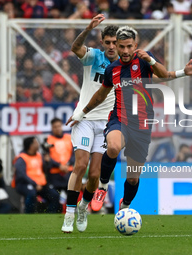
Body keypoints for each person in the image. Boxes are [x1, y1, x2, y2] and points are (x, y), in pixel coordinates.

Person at [67, 26, 192, 213]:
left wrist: (175, 69)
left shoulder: (144, 61)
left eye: (128, 46)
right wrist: (81, 114)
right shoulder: (112, 69)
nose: (124, 51)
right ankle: (103, 186)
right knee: (113, 147)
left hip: (141, 124)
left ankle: (125, 206)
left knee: (132, 177)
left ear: (135, 46)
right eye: (121, 46)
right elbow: (100, 96)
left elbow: (163, 76)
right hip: (119, 118)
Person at [61, 14, 118, 233]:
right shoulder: (94, 57)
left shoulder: (125, 65)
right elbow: (76, 47)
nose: (112, 46)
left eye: (115, 42)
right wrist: (87, 28)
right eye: (108, 42)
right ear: (102, 42)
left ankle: (84, 206)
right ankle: (69, 213)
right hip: (83, 119)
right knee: (80, 165)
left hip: (106, 124)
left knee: (94, 175)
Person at [14, 136, 60, 213]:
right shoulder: (21, 158)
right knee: (31, 194)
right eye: (36, 142)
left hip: (41, 184)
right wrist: (34, 184)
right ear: (30, 146)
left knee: (54, 195)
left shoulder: (39, 155)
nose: (38, 144)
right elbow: (21, 175)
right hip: (26, 184)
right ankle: (29, 215)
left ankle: (50, 215)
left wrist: (48, 162)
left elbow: (46, 169)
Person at [45, 118, 74, 192]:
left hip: (68, 171)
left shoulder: (69, 138)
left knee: (71, 195)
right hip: (55, 173)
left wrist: (67, 164)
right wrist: (59, 165)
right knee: (56, 196)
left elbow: (74, 154)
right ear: (52, 128)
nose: (57, 129)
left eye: (59, 126)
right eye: (55, 127)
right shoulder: (48, 140)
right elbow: (47, 157)